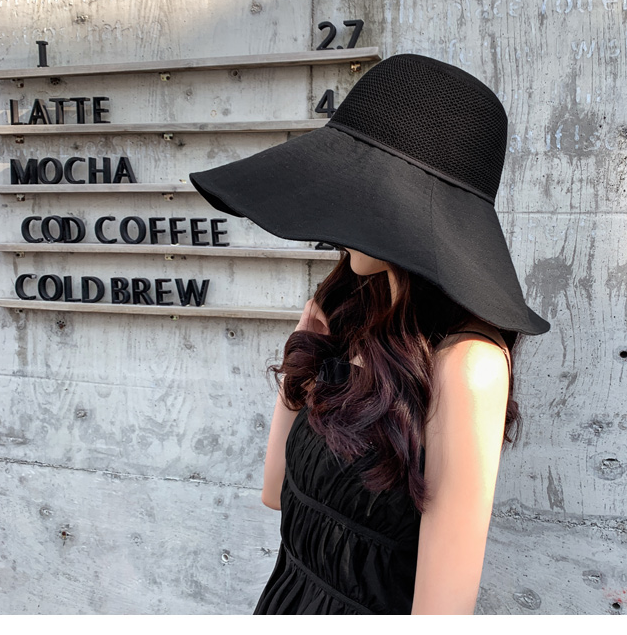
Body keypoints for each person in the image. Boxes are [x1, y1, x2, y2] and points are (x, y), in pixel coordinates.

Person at [190, 53, 550, 615]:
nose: (344, 218)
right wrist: (307, 347)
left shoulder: (468, 365)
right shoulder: (348, 321)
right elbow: (276, 492)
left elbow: (442, 613)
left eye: (364, 195)